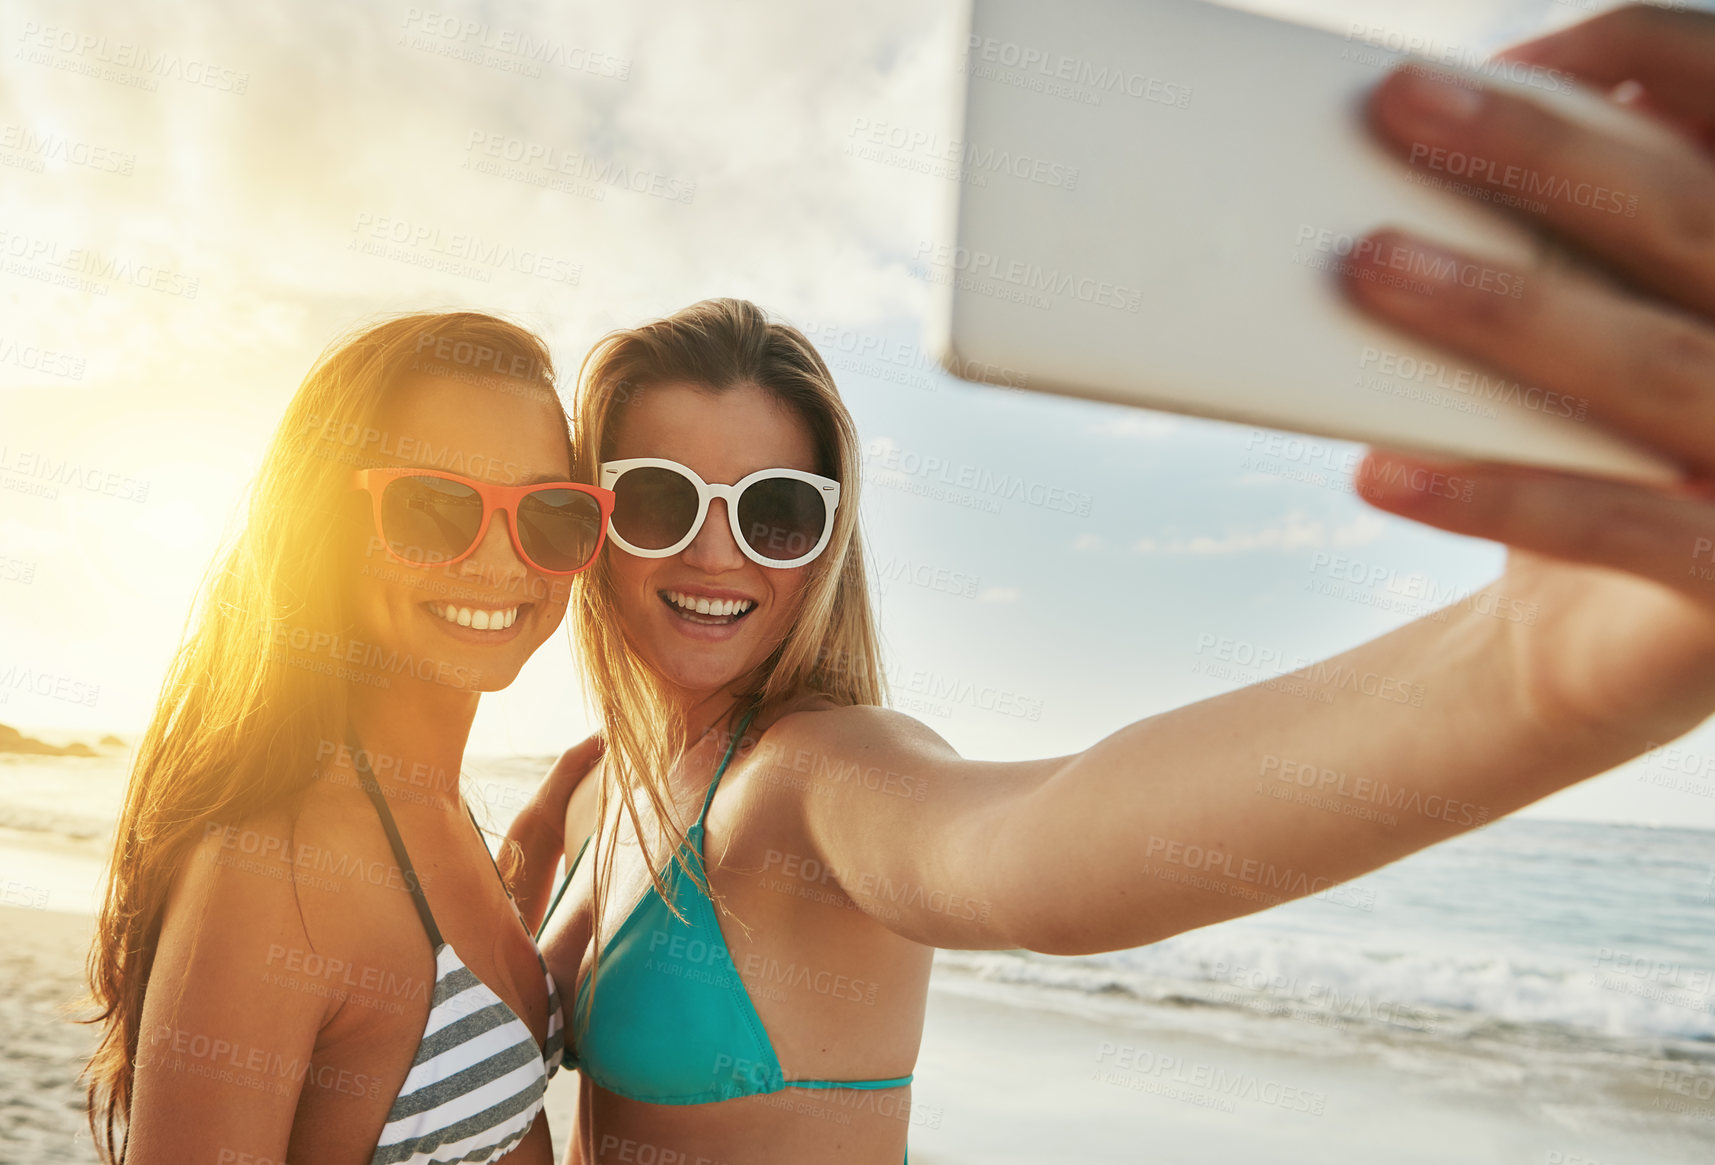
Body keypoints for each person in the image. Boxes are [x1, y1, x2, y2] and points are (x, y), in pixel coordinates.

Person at [511, 7, 1715, 1163]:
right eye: (664, 499)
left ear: (827, 545)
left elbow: (1040, 854)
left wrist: (1524, 674)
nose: (718, 553)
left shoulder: (812, 776)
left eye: (777, 512)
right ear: (591, 516)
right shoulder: (601, 788)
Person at [83, 313, 613, 1165]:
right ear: (328, 519)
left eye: (549, 511)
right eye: (435, 507)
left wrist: (541, 838)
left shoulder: (428, 804)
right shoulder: (270, 870)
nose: (499, 560)